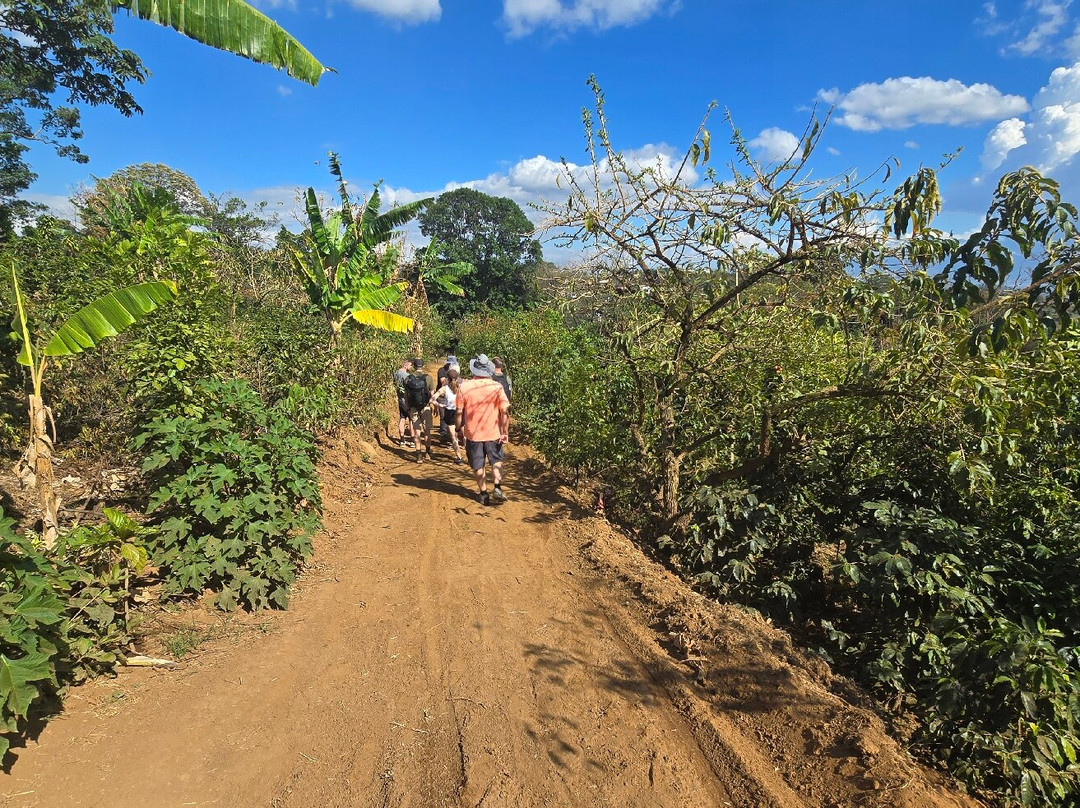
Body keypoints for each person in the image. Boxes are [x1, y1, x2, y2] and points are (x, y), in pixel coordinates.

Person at [457, 354, 510, 505]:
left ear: (474, 370)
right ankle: (497, 487)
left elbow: (459, 412)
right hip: (494, 432)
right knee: (496, 460)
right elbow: (504, 411)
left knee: (478, 464)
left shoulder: (464, 387)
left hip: (473, 434)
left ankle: (484, 494)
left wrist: (458, 428)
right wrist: (505, 432)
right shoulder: (497, 387)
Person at [403, 357, 435, 462]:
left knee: (416, 431)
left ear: (414, 366)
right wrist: (434, 406)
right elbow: (432, 394)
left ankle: (419, 454)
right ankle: (427, 452)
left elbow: (406, 395)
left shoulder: (408, 378)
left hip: (413, 407)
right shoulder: (428, 378)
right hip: (425, 407)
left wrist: (407, 407)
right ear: (423, 366)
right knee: (427, 431)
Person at [433, 367, 463, 464]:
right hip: (460, 412)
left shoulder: (444, 389)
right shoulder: (462, 387)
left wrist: (440, 405)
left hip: (449, 413)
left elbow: (432, 399)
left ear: (447, 378)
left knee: (453, 437)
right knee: (465, 436)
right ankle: (470, 456)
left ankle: (459, 457)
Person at [393, 358, 414, 447]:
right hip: (407, 401)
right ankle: (412, 441)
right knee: (411, 420)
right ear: (406, 364)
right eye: (410, 365)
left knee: (402, 418)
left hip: (400, 399)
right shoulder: (407, 376)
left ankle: (402, 440)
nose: (411, 367)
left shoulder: (396, 373)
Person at [436, 354, 458, 440]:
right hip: (442, 396)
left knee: (453, 414)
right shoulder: (442, 370)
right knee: (443, 415)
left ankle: (452, 434)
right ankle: (443, 433)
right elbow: (443, 382)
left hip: (452, 395)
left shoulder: (454, 371)